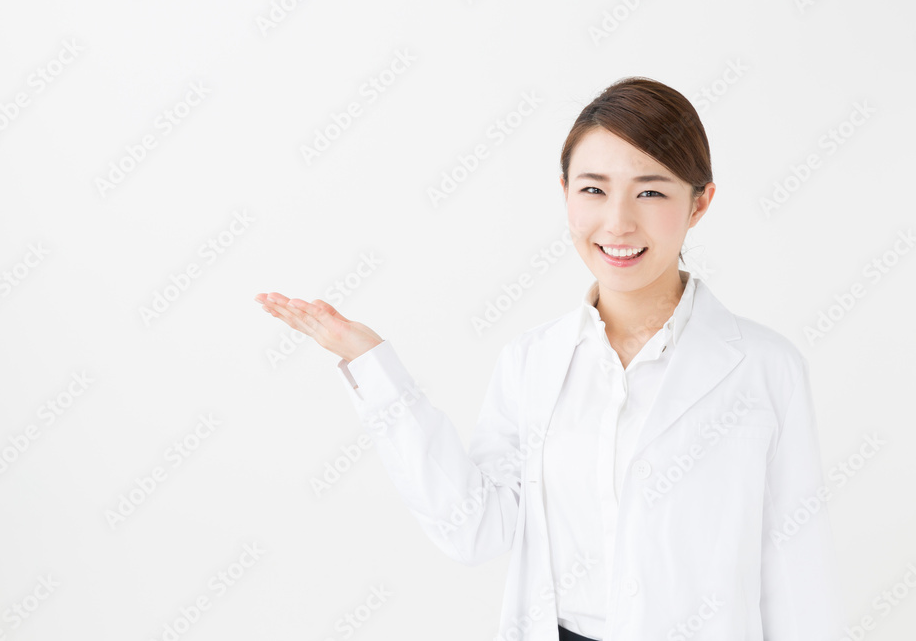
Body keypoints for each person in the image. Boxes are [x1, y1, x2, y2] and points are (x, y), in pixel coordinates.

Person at [256, 76, 843, 641]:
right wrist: (373, 366)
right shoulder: (532, 362)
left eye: (651, 190)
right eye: (594, 189)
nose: (618, 221)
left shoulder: (767, 368)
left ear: (699, 203)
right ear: (565, 193)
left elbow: (795, 574)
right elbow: (474, 529)